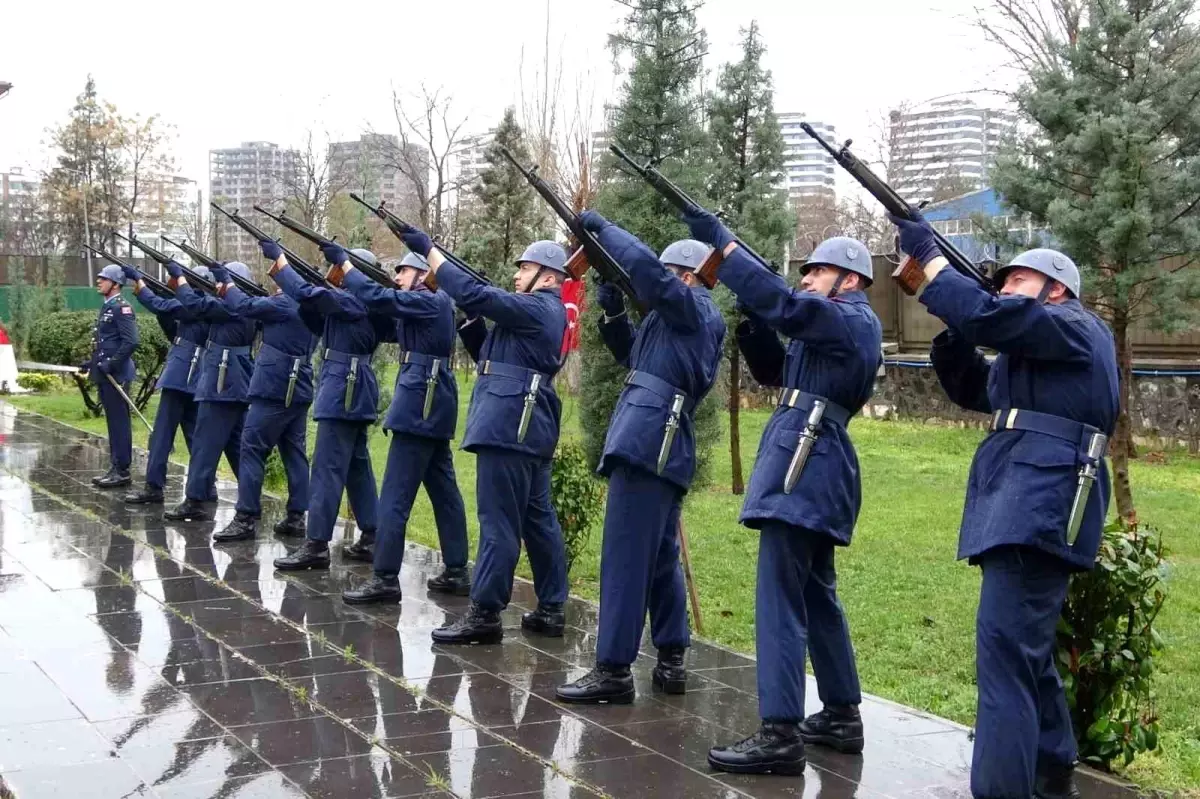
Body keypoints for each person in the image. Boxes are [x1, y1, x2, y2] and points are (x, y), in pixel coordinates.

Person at [889, 212, 1118, 799]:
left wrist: (931, 257)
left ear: (1057, 289)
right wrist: (952, 319)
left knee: (1004, 662)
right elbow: (974, 387)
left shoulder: (1076, 325)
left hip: (1037, 502)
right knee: (1023, 649)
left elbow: (993, 317)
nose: (1004, 289)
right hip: (1025, 501)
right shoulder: (1039, 352)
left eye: (1018, 282)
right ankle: (1050, 766)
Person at [686, 212, 882, 776]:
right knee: (816, 591)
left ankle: (779, 732)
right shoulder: (832, 325)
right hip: (812, 454)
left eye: (816, 271)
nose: (805, 279)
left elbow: (791, 309)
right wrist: (753, 321)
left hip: (808, 457)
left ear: (849, 279)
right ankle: (842, 714)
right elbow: (777, 370)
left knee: (780, 594)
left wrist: (723, 247)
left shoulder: (849, 317)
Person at [555, 219, 725, 705]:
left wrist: (604, 230)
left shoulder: (695, 308)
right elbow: (638, 357)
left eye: (672, 273)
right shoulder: (677, 321)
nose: (663, 282)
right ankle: (671, 656)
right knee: (658, 559)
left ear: (687, 277)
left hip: (651, 439)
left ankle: (613, 668)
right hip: (658, 440)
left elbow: (649, 273)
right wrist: (611, 313)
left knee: (626, 556)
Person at [398, 225, 569, 644]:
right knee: (537, 521)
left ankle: (486, 613)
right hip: (524, 427)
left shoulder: (539, 307)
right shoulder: (538, 312)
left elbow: (478, 295)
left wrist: (431, 252)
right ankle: (551, 607)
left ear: (548, 276)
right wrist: (471, 323)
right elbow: (494, 357)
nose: (516, 275)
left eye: (525, 267)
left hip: (510, 428)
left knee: (498, 524)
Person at [339, 252, 471, 604]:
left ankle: (384, 578)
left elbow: (382, 298)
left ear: (425, 274)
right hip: (429, 405)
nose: (397, 276)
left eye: (405, 270)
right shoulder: (426, 305)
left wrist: (348, 269)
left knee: (395, 497)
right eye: (396, 271)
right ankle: (457, 569)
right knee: (444, 493)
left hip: (419, 407)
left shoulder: (430, 301)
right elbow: (385, 316)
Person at [269, 240, 388, 571]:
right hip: (348, 390)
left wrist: (281, 262)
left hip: (344, 392)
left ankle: (317, 543)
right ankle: (372, 534)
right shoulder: (351, 305)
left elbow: (310, 296)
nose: (334, 274)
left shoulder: (356, 302)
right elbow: (315, 317)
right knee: (355, 466)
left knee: (325, 468)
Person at [212, 262, 320, 542]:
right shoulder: (312, 307)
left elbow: (243, 306)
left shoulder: (285, 304)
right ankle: (297, 514)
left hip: (273, 388)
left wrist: (228, 283)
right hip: (299, 387)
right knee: (294, 452)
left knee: (251, 448)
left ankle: (245, 517)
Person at [163, 261, 258, 522]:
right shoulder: (244, 306)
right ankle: (252, 498)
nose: (216, 286)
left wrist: (180, 279)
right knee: (237, 446)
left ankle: (195, 499)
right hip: (235, 384)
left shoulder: (230, 306)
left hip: (221, 384)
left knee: (204, 444)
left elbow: (195, 306)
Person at [121, 263, 216, 505]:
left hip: (181, 376)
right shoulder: (208, 306)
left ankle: (154, 486)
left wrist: (139, 282)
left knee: (162, 434)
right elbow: (172, 326)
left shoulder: (194, 304)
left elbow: (159, 305)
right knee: (196, 436)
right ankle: (206, 485)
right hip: (197, 377)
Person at [83, 264, 139, 489]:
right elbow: (108, 343)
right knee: (112, 422)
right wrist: (93, 363)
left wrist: (111, 364)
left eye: (103, 279)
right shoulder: (107, 306)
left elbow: (131, 342)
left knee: (119, 423)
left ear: (115, 284)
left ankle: (122, 470)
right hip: (106, 374)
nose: (99, 281)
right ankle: (115, 466)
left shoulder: (121, 307)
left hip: (117, 375)